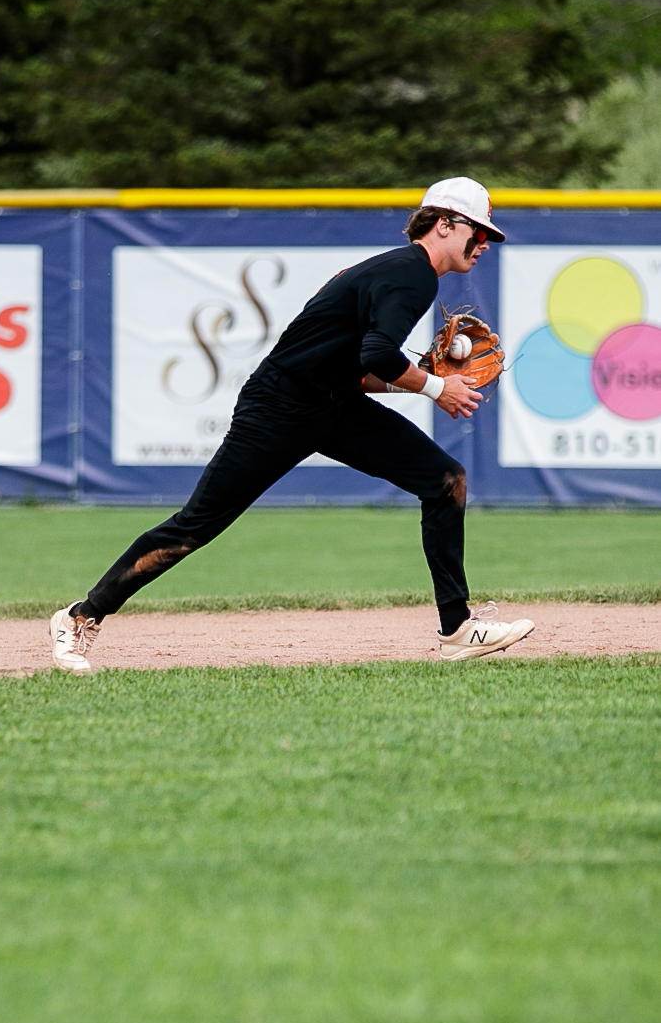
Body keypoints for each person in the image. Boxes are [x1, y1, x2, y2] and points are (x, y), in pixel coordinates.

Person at [49, 177, 535, 672]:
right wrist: (436, 388)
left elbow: (361, 370)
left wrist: (426, 381)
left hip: (337, 405)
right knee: (194, 527)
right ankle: (80, 617)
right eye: (478, 231)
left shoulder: (398, 270)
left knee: (444, 480)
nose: (483, 244)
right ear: (445, 223)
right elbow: (378, 353)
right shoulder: (413, 273)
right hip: (279, 408)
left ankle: (456, 628)